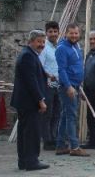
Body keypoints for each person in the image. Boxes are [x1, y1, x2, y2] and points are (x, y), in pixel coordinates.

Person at [11, 30, 50, 171]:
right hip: (29, 102)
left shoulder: (29, 54)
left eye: (43, 42)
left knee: (24, 132)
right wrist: (40, 100)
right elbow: (31, 81)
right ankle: (31, 161)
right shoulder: (28, 56)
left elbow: (32, 74)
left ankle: (24, 161)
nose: (42, 45)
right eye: (39, 42)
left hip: (25, 101)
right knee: (31, 132)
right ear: (31, 42)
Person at [54, 23, 90, 157]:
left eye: (76, 33)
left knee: (65, 115)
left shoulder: (76, 46)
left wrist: (78, 84)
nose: (74, 36)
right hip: (67, 87)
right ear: (66, 34)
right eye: (71, 33)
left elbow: (77, 65)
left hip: (75, 85)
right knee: (71, 116)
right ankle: (74, 147)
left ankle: (60, 145)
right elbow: (61, 70)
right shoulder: (62, 48)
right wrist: (68, 86)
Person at [39, 21, 61, 150]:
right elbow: (40, 66)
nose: (53, 34)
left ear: (58, 32)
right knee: (48, 113)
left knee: (57, 113)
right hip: (48, 85)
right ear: (46, 33)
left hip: (59, 85)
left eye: (55, 31)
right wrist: (48, 75)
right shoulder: (44, 48)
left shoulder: (59, 47)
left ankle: (54, 137)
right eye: (50, 32)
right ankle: (47, 140)